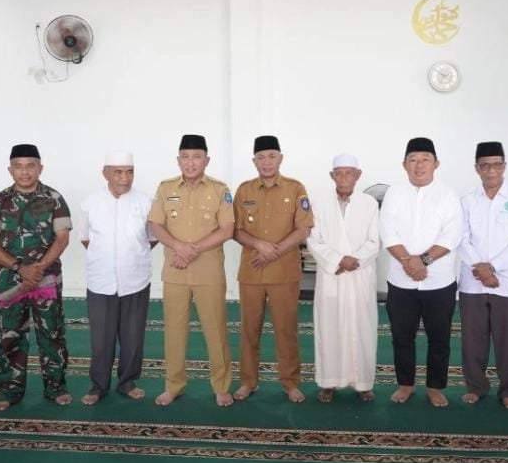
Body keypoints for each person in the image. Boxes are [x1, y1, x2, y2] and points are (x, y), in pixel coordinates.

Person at [0, 144, 72, 411]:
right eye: (18, 167)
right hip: (11, 279)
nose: (24, 172)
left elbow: (62, 238)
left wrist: (39, 268)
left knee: (51, 332)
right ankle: (9, 391)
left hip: (46, 278)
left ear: (40, 168)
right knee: (10, 334)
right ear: (10, 170)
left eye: (30, 166)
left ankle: (56, 388)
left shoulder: (54, 198)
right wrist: (20, 268)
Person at [148, 134, 235, 407]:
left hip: (209, 272)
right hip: (175, 271)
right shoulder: (165, 188)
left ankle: (221, 386)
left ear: (207, 160)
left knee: (215, 331)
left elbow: (227, 229)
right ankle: (174, 385)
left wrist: (191, 250)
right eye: (185, 157)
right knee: (174, 331)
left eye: (197, 157)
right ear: (178, 160)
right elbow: (156, 225)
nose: (191, 162)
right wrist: (179, 247)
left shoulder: (220, 189)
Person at [379, 137, 462, 407]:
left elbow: (452, 235)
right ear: (404, 164)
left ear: (436, 164)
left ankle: (435, 387)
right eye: (413, 160)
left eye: (425, 159)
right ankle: (405, 384)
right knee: (402, 336)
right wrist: (409, 262)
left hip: (439, 281)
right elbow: (388, 231)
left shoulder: (448, 195)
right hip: (401, 280)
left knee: (440, 338)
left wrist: (422, 261)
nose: (419, 165)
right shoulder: (394, 193)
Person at [232, 135, 314, 403]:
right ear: (254, 161)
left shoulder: (295, 188)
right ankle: (248, 382)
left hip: (284, 273)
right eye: (261, 157)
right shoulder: (244, 190)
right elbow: (235, 230)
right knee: (249, 330)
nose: (266, 162)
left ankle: (290, 383)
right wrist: (259, 245)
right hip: (251, 273)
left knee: (286, 330)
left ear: (280, 158)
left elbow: (303, 228)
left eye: (271, 156)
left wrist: (274, 251)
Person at [458, 141, 508, 409]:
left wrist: (492, 267)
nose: (491, 170)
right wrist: (480, 268)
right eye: (485, 165)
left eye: (496, 165)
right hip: (473, 280)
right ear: (477, 168)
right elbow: (461, 237)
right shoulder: (467, 199)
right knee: (472, 339)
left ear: (504, 166)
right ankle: (475, 387)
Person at [77, 150, 156, 405]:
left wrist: (130, 256)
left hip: (136, 280)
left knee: (133, 337)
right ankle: (98, 385)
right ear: (105, 173)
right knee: (101, 339)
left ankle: (128, 382)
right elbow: (85, 238)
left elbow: (152, 238)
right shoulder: (90, 202)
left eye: (129, 172)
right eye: (118, 172)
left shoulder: (146, 202)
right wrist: (108, 257)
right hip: (100, 281)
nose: (125, 177)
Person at [306, 154, 380, 403]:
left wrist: (353, 260)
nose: (344, 177)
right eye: (339, 173)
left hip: (360, 274)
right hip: (332, 275)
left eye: (349, 172)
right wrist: (338, 260)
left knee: (363, 329)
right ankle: (329, 382)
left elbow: (375, 241)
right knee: (329, 328)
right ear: (332, 176)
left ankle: (363, 384)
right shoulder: (319, 203)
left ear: (358, 175)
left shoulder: (369, 203)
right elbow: (313, 239)